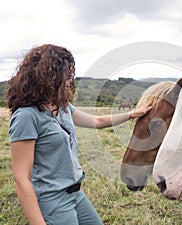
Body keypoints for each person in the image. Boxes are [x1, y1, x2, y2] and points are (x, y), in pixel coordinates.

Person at [7, 44, 152, 225]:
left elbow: (97, 122)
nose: (70, 82)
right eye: (66, 76)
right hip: (52, 200)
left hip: (76, 193)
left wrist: (131, 114)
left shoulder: (62, 107)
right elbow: (21, 179)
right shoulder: (27, 116)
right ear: (47, 76)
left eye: (70, 76)